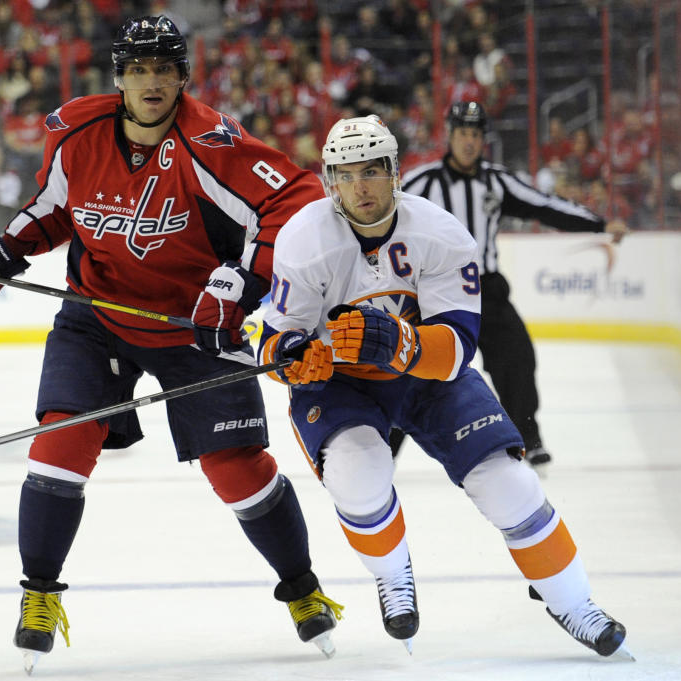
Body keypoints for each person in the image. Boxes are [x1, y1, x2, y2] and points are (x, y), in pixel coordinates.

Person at [0, 15, 342, 673]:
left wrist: (241, 283)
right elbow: (54, 209)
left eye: (165, 68)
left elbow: (295, 198)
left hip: (196, 326)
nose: (152, 82)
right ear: (119, 76)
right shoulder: (80, 135)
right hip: (97, 317)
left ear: (183, 76)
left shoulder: (211, 141)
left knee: (235, 469)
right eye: (139, 69)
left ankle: (301, 586)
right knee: (59, 445)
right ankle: (39, 595)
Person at [259, 114, 631, 658]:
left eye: (372, 171)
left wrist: (400, 344)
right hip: (342, 384)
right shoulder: (304, 238)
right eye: (345, 174)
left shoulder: (441, 234)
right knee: (357, 478)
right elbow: (275, 335)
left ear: (395, 173)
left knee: (509, 483)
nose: (360, 187)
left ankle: (574, 602)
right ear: (329, 181)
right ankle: (392, 574)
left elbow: (456, 348)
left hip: (425, 378)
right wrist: (290, 359)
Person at [399, 101, 627, 468]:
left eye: (476, 134)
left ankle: (528, 438)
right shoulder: (421, 183)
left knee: (517, 356)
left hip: (485, 288)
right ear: (450, 135)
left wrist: (598, 224)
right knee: (411, 365)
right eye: (462, 133)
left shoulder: (497, 180)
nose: (469, 141)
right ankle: (382, 446)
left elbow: (545, 205)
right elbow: (385, 213)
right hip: (433, 293)